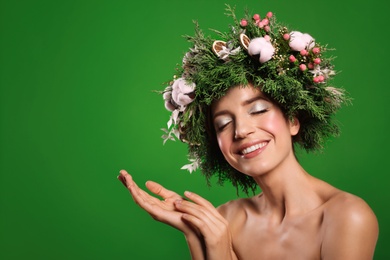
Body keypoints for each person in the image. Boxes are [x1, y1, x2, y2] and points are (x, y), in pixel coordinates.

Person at [118, 6, 378, 259]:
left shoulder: (347, 217)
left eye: (258, 110)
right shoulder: (225, 221)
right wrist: (195, 235)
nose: (241, 131)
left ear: (293, 120)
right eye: (223, 124)